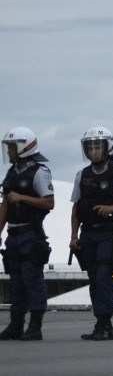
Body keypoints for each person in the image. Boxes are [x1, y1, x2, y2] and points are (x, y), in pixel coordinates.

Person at [70, 126, 113, 341]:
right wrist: (73, 236)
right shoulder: (82, 175)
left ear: (108, 147)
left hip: (109, 234)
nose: (93, 151)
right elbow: (76, 209)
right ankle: (100, 322)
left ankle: (105, 323)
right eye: (89, 147)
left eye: (97, 146)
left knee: (103, 276)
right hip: (88, 234)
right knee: (94, 279)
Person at [0, 127, 55, 341]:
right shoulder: (12, 172)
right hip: (13, 235)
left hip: (31, 233)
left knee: (32, 280)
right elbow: (5, 204)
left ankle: (35, 326)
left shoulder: (40, 172)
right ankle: (15, 325)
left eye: (12, 147)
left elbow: (49, 202)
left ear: (24, 146)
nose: (9, 151)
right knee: (16, 281)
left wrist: (22, 198)